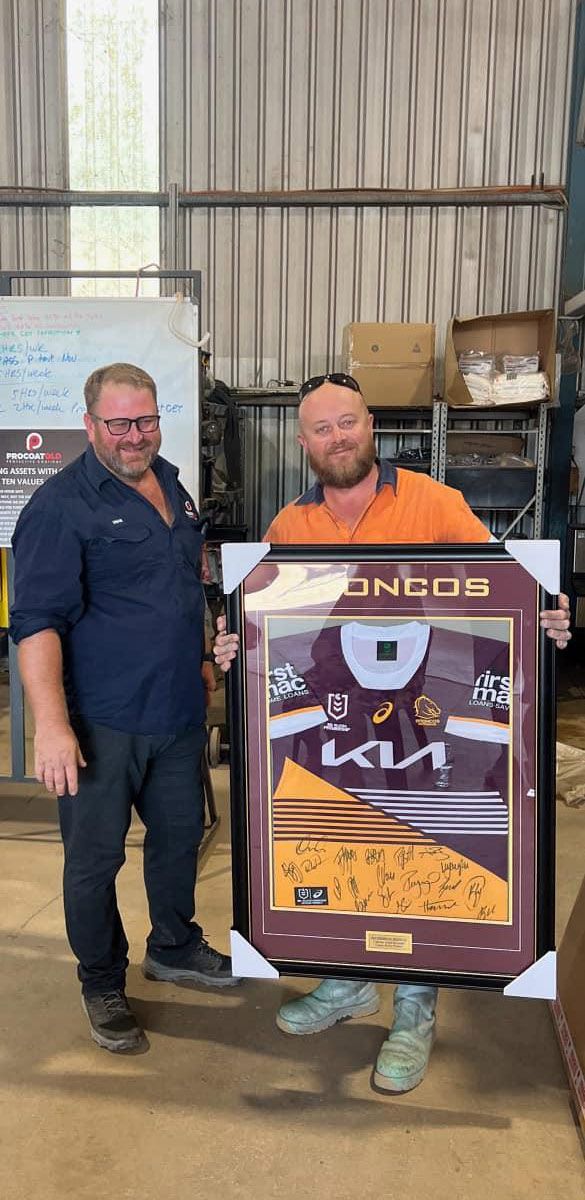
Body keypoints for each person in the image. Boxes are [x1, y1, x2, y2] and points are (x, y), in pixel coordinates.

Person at [213, 371, 570, 1094]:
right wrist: (234, 649)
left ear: (368, 424)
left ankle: (414, 1007)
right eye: (320, 428)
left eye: (347, 422)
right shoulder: (290, 525)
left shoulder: (435, 504)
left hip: (425, 721)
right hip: (336, 724)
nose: (336, 438)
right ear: (304, 440)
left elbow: (497, 589)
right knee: (346, 848)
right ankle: (348, 983)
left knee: (417, 854)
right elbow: (276, 630)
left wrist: (544, 616)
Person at [10, 362, 239, 1056]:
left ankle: (172, 944)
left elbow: (181, 587)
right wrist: (51, 725)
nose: (135, 436)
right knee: (95, 859)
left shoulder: (173, 485)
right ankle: (101, 981)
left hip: (174, 713)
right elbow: (36, 624)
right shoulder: (58, 507)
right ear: (90, 425)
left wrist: (201, 659)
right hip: (100, 722)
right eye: (119, 424)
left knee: (176, 841)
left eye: (145, 420)